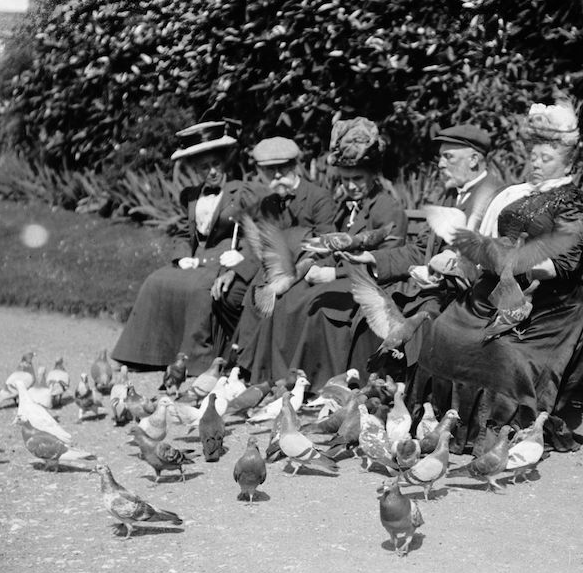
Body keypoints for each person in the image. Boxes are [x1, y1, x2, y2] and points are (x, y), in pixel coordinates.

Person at [409, 101, 583, 453]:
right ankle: (442, 422)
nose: (536, 163)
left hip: (548, 305)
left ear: (568, 163)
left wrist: (513, 263)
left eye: (546, 158)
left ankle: (492, 432)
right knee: (444, 330)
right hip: (498, 289)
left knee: (500, 350)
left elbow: (562, 265)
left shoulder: (575, 203)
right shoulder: (519, 194)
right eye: (534, 156)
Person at [233, 117, 407, 389]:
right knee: (288, 296)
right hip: (344, 275)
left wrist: (333, 273)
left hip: (371, 282)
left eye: (357, 179)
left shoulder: (387, 207)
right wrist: (304, 269)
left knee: (312, 302)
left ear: (374, 176)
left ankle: (315, 380)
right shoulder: (347, 205)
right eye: (345, 179)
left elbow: (389, 258)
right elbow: (328, 245)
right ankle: (278, 376)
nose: (351, 186)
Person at [338, 123, 507, 372]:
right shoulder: (450, 196)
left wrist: (445, 274)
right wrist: (372, 258)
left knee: (420, 322)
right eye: (441, 158)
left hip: (465, 298)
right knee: (371, 314)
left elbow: (487, 260)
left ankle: (404, 391)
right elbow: (419, 249)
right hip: (432, 290)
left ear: (473, 160)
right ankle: (369, 387)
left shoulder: (495, 197)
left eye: (448, 157)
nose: (440, 164)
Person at [112, 121, 267, 375]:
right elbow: (184, 233)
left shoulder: (241, 191)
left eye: (216, 164)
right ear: (195, 169)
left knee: (199, 288)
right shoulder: (191, 195)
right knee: (156, 281)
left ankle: (196, 360)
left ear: (224, 162)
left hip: (224, 260)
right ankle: (144, 354)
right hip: (196, 259)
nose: (212, 171)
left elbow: (256, 235)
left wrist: (240, 256)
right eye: (205, 167)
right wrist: (181, 255)